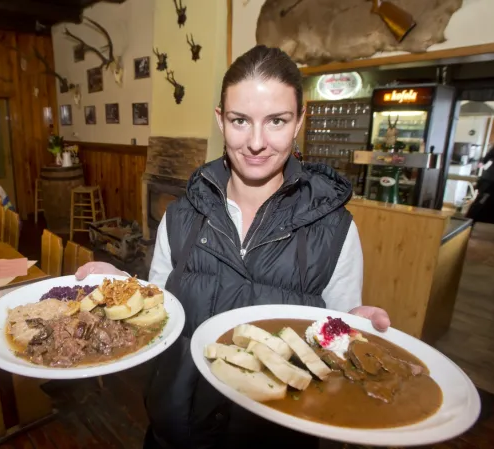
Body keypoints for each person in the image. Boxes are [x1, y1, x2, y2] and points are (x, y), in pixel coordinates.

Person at [75, 45, 391, 449]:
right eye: (241, 120)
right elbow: (160, 317)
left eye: (276, 120)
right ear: (221, 121)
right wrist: (125, 291)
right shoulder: (179, 217)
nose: (256, 142)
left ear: (298, 123)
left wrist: (351, 332)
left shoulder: (337, 230)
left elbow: (336, 346)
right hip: (177, 431)